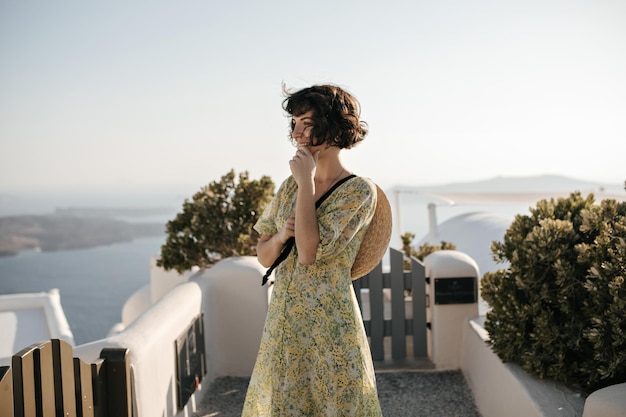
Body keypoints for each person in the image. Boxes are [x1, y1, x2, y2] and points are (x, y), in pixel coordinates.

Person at [241, 84, 383, 416]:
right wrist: (278, 238)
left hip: (329, 325)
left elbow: (308, 254)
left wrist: (307, 183)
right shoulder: (289, 185)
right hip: (285, 322)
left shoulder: (358, 191)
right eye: (294, 123)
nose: (297, 133)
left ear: (333, 126)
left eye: (307, 122)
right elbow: (263, 254)